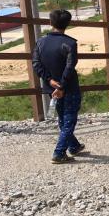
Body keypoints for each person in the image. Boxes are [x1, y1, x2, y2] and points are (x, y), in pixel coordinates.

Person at [32, 9, 85, 164]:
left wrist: (49, 80)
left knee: (63, 118)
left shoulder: (40, 42)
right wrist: (61, 86)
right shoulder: (70, 43)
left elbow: (36, 64)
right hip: (69, 87)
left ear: (50, 22)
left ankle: (74, 146)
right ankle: (59, 153)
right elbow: (70, 66)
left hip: (51, 87)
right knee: (69, 120)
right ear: (67, 24)